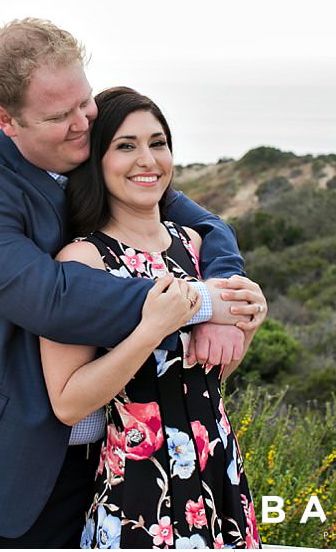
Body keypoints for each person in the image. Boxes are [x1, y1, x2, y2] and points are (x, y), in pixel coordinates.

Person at [0, 18, 261, 548]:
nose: (82, 123)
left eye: (85, 103)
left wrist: (228, 286)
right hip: (16, 461)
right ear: (7, 119)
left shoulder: (95, 156)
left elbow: (207, 227)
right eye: (59, 115)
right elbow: (51, 297)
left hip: (124, 462)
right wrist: (199, 303)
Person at [40, 87, 265, 548]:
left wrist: (246, 327)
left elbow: (205, 376)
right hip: (140, 489)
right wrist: (151, 329)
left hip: (218, 471)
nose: (148, 159)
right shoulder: (82, 261)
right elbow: (67, 401)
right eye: (126, 146)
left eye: (158, 143)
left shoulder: (196, 246)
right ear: (97, 162)